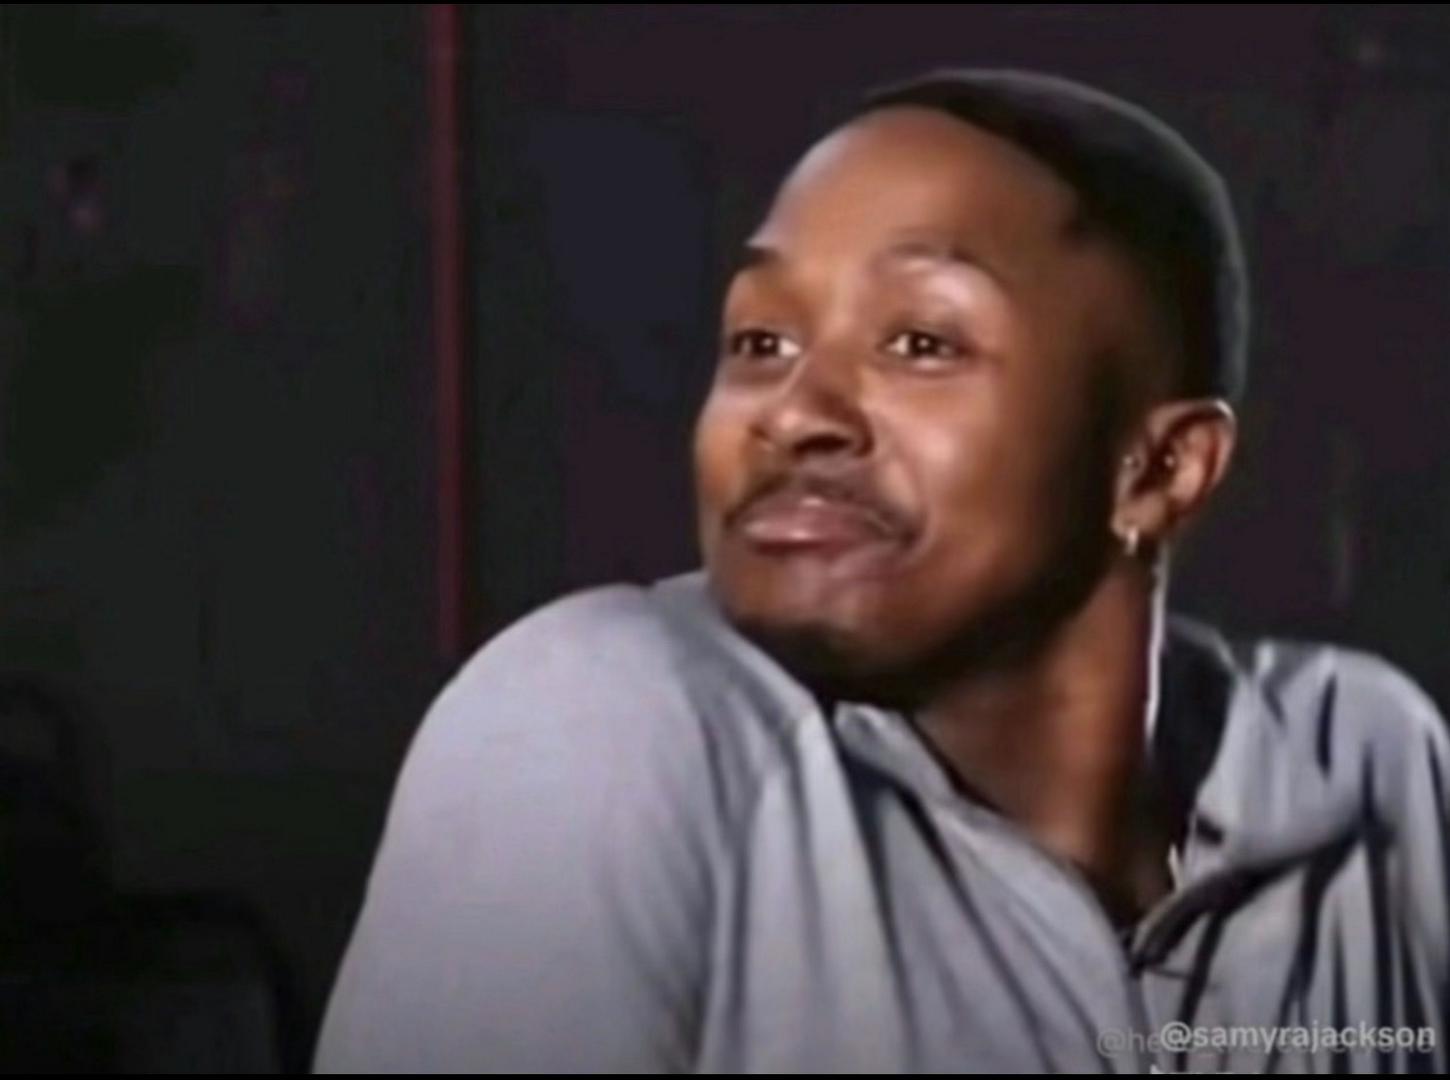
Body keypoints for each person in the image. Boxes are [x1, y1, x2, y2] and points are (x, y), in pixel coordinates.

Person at [313, 68, 1449, 1073]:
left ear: (1159, 469)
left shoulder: (1367, 762)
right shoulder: (600, 723)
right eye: (760, 340)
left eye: (920, 342)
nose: (791, 412)